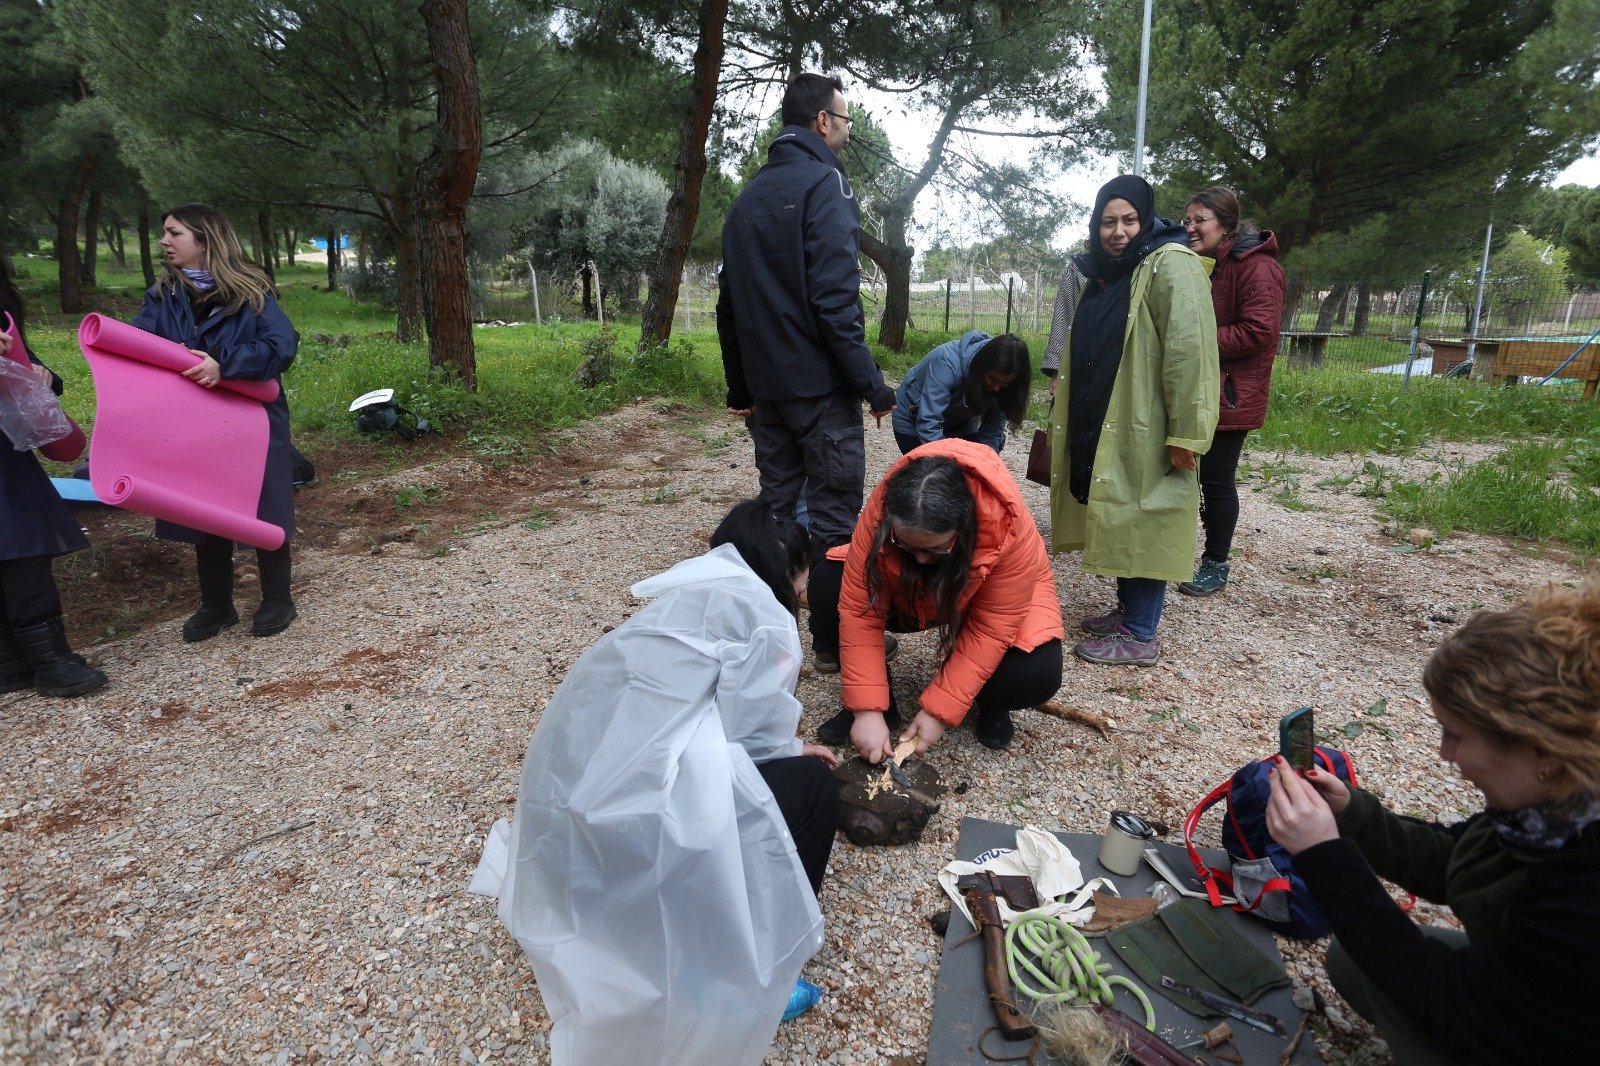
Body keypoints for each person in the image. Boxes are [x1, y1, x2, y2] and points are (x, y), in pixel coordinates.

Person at [495, 501, 840, 1064]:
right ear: (788, 569)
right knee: (816, 787)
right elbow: (751, 735)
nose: (805, 587)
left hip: (573, 816)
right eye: (803, 574)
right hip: (645, 816)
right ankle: (763, 960)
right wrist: (796, 750)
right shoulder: (766, 616)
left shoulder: (686, 593)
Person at [1265, 582, 1600, 1064]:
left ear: (1541, 749)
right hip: (1531, 992)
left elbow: (1449, 1003)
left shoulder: (1584, 897)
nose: (1444, 754)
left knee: (1404, 981)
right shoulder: (1554, 809)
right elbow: (1457, 859)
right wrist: (1351, 815)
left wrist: (1324, 855)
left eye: (1456, 735)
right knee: (1352, 960)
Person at [718, 71, 897, 562]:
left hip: (767, 392)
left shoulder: (745, 199)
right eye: (845, 120)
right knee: (834, 520)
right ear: (822, 121)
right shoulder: (826, 184)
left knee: (777, 513)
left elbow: (728, 306)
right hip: (820, 390)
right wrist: (872, 385)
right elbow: (835, 302)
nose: (848, 131)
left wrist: (740, 388)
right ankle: (829, 616)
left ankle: (771, 609)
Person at [1046, 175, 1218, 667]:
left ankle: (1141, 633)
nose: (1117, 231)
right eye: (1107, 222)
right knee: (1122, 509)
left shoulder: (1171, 264)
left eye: (1128, 220)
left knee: (1146, 513)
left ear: (1146, 220)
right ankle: (1127, 612)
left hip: (1150, 421)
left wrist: (1187, 433)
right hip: (1109, 413)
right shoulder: (1107, 271)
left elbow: (1190, 354)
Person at [811, 439, 1064, 754]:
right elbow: (859, 611)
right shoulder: (880, 512)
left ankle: (992, 702)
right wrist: (866, 709)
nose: (920, 558)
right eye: (906, 545)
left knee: (1034, 670)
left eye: (934, 549)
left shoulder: (1008, 527)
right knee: (827, 581)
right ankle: (882, 707)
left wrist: (938, 712)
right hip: (914, 593)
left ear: (964, 526)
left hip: (987, 600)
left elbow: (991, 627)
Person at [131, 204, 299, 641]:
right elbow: (138, 347)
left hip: (251, 418)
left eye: (175, 233)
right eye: (165, 233)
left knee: (265, 504)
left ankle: (278, 598)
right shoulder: (162, 295)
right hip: (193, 421)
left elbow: (281, 345)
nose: (165, 241)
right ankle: (217, 606)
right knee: (204, 507)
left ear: (205, 239)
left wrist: (225, 364)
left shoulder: (251, 290)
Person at [0, 259, 107, 697]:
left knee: (25, 546)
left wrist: (41, 374)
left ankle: (43, 660)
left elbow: (24, 356)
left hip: (6, 452)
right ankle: (21, 663)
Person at [1176, 187, 1286, 597]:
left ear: (1224, 224)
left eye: (1199, 219)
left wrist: (1194, 340)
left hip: (1230, 393)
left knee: (1216, 480)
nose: (1190, 227)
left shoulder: (1257, 267)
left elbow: (1258, 332)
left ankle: (1216, 563)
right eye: (1187, 220)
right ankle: (1183, 552)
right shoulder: (1212, 264)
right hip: (1204, 386)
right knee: (1191, 472)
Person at [890, 331, 1030, 455]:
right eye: (993, 379)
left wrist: (986, 460)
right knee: (933, 472)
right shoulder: (946, 362)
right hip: (913, 420)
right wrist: (946, 462)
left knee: (972, 469)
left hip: (960, 421)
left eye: (1005, 383)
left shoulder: (1004, 385)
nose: (997, 388)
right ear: (981, 366)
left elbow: (993, 431)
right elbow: (928, 423)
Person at [1040, 260, 1088, 396]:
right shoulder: (1079, 266)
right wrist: (1057, 373)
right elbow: (1063, 319)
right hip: (1083, 366)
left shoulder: (1143, 265)